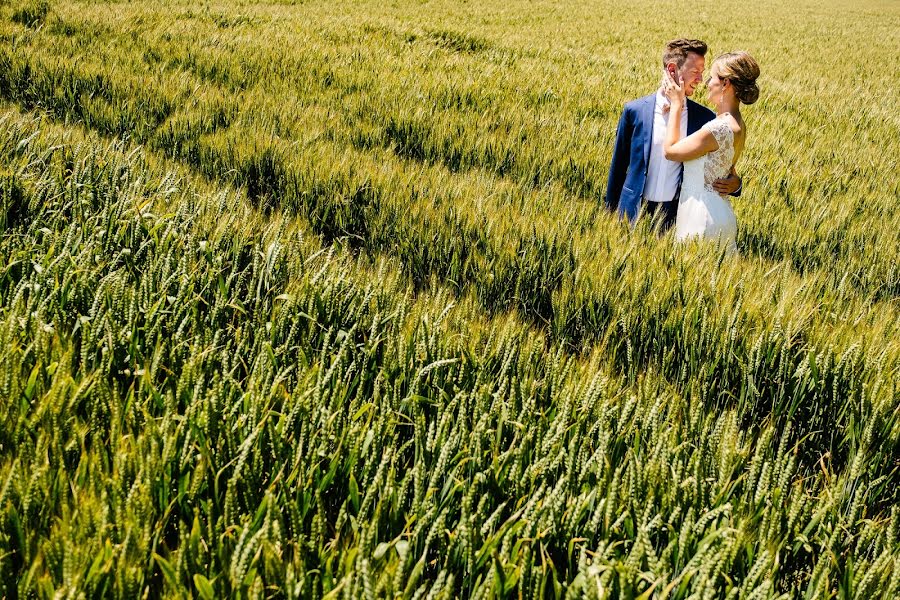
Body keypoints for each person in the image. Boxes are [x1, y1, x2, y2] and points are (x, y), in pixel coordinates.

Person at [605, 39, 742, 230]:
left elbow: (723, 165)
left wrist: (736, 186)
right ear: (672, 70)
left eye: (703, 73)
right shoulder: (635, 111)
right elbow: (618, 166)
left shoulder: (705, 119)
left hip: (676, 218)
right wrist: (609, 213)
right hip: (631, 212)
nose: (701, 80)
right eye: (695, 72)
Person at [662, 51, 760, 252]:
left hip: (701, 216)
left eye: (712, 77)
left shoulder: (716, 129)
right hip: (719, 212)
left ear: (725, 84)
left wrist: (676, 105)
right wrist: (736, 183)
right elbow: (726, 168)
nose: (706, 82)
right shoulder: (738, 124)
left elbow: (670, 151)